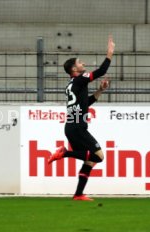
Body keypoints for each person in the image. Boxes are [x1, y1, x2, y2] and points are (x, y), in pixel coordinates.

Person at [48, 36, 115, 201]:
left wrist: (100, 90)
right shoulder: (80, 79)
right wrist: (110, 53)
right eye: (79, 62)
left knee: (90, 161)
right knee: (99, 156)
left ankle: (78, 194)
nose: (83, 63)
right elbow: (101, 71)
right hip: (77, 127)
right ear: (74, 69)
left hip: (73, 127)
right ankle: (65, 153)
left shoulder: (73, 84)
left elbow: (86, 103)